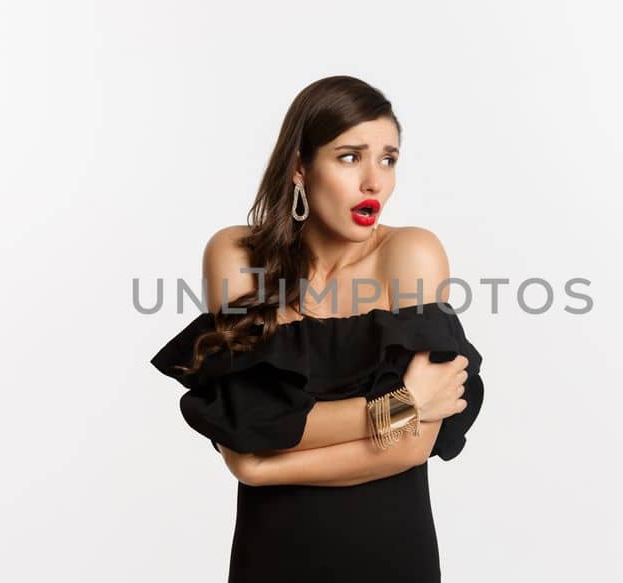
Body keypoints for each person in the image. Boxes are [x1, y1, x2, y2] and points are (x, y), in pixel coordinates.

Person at [149, 75, 486, 583]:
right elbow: (244, 426)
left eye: (388, 159)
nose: (375, 181)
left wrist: (262, 467)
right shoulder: (237, 256)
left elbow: (413, 447)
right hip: (272, 557)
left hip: (392, 554)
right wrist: (403, 405)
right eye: (350, 157)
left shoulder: (411, 254)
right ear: (300, 169)